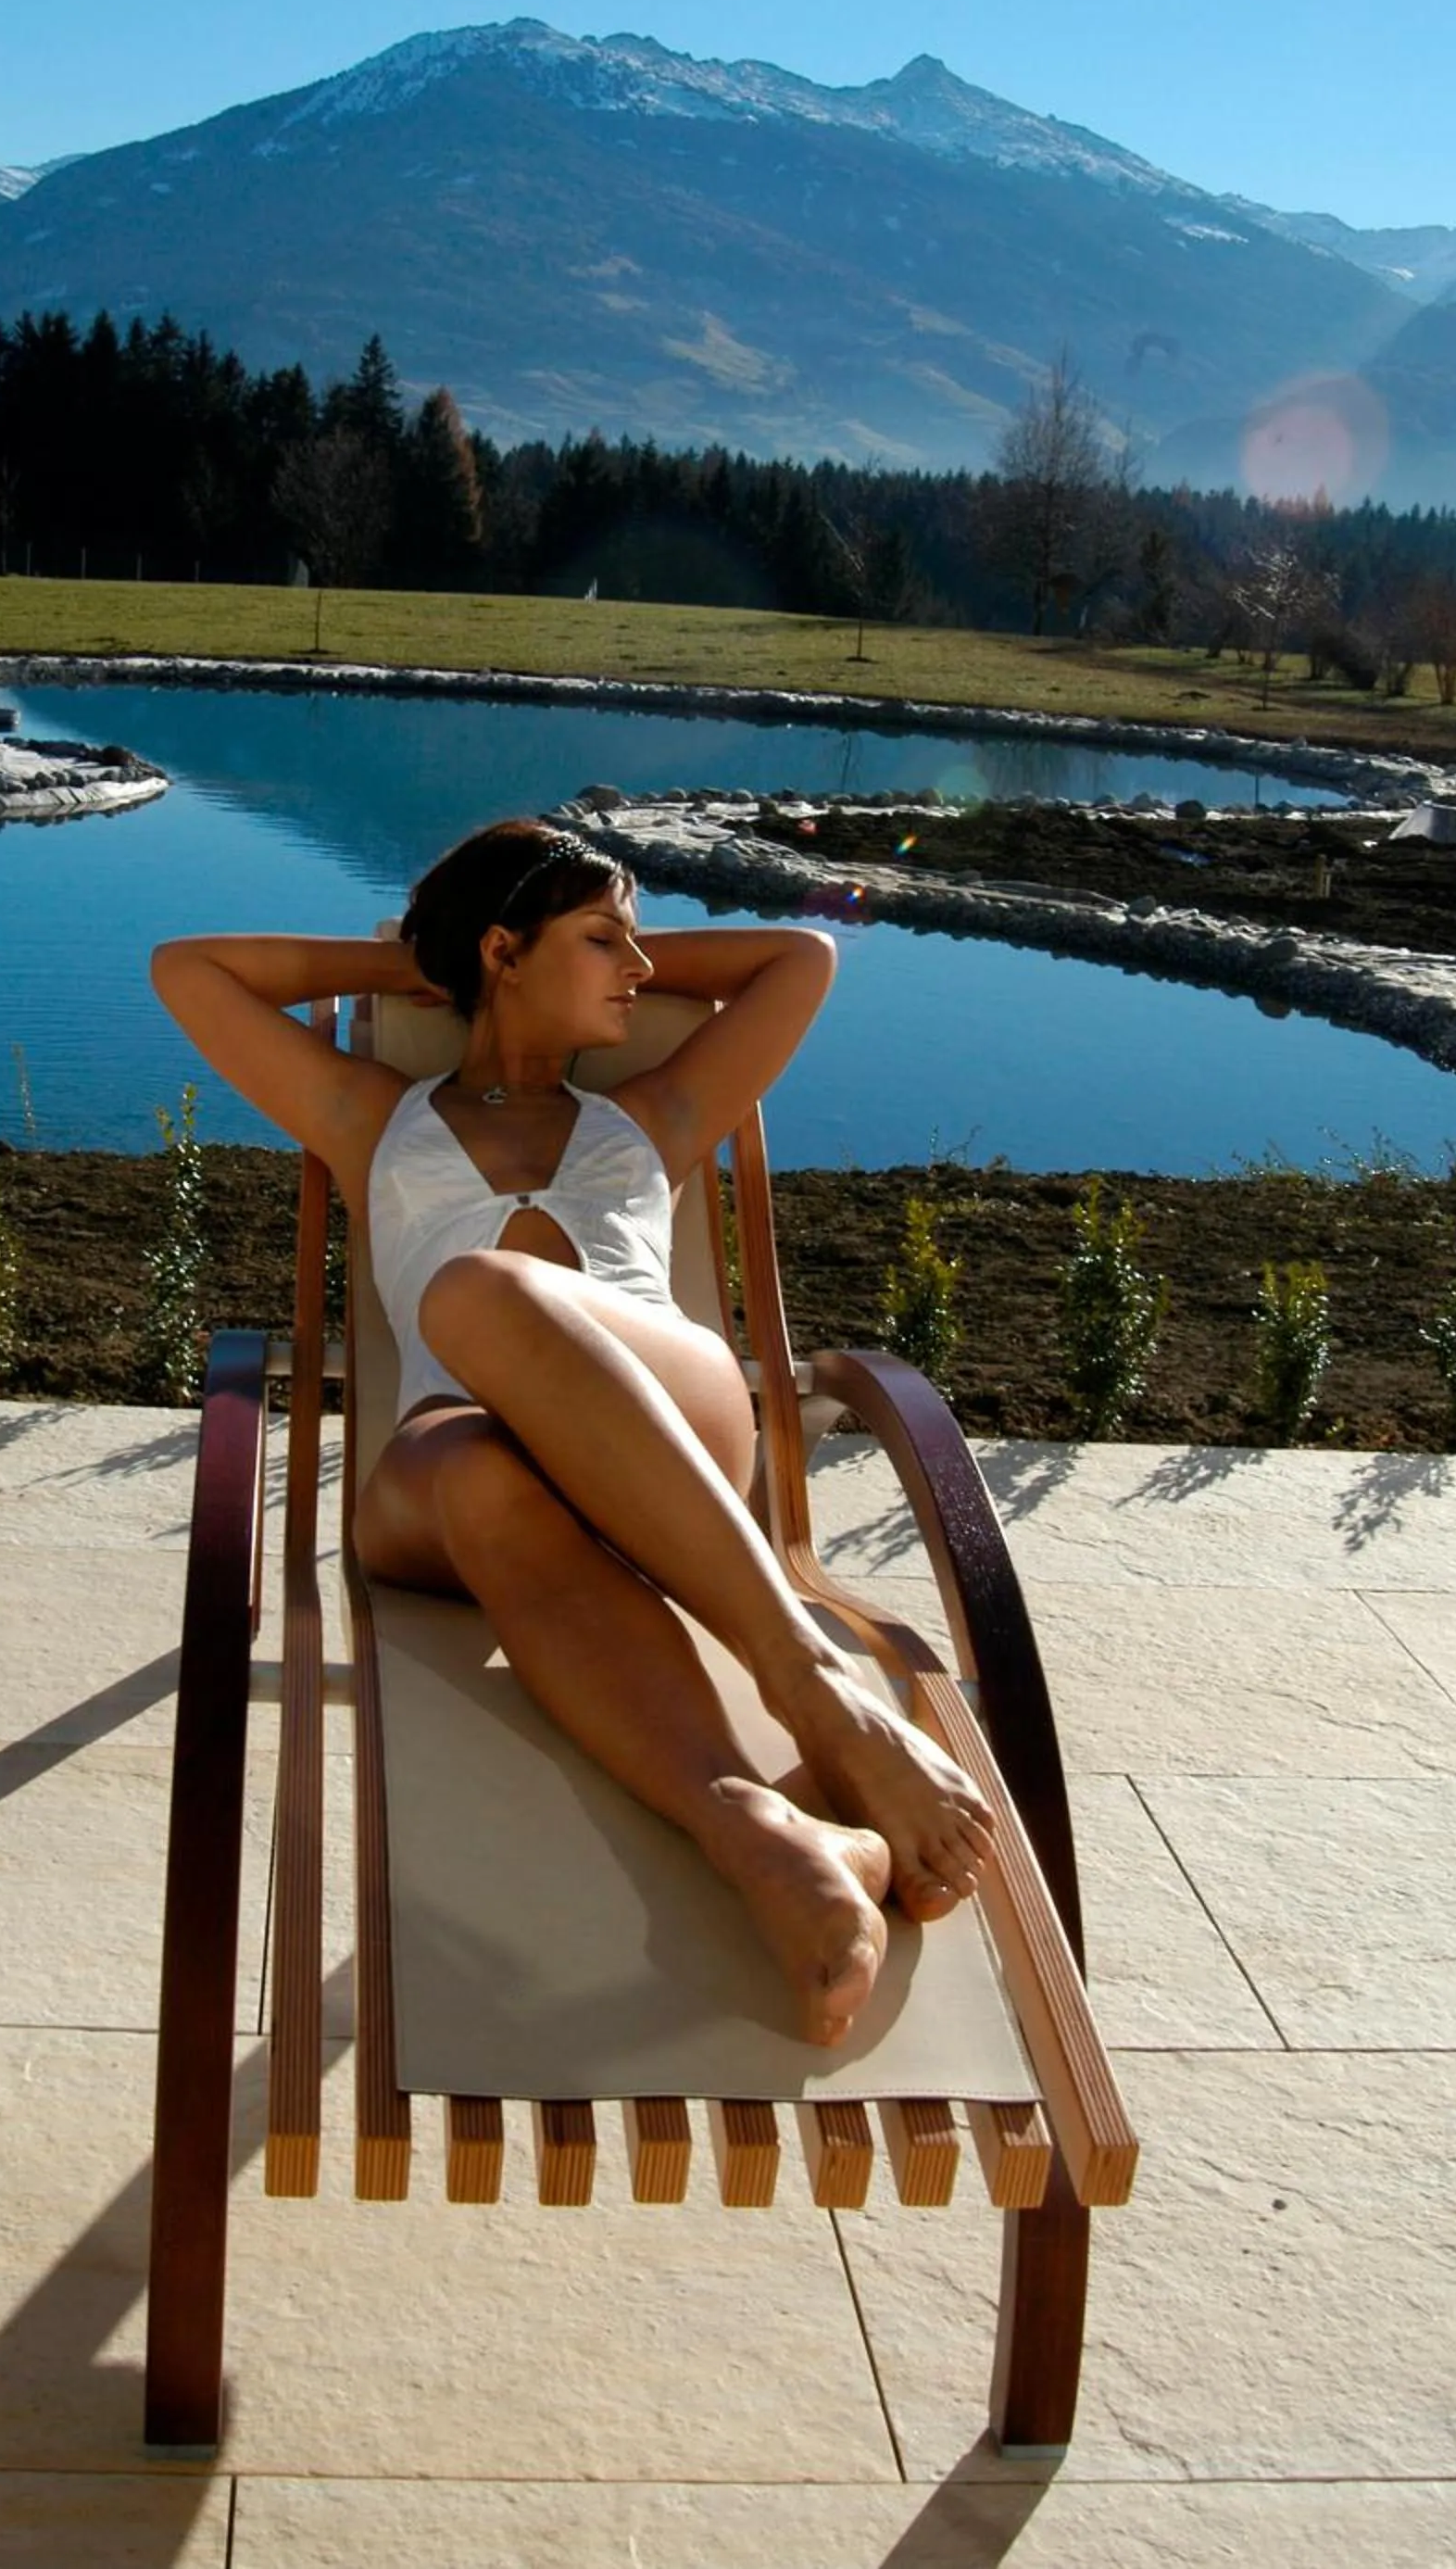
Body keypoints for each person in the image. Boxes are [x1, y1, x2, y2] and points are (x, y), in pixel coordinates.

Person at [151, 816, 993, 2046]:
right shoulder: (371, 1116)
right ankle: (765, 1837)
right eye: (606, 941)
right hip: (451, 1474)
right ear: (502, 948)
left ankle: (815, 1694)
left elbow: (800, 959)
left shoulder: (653, 1113)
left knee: (479, 1292)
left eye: (639, 945)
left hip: (674, 1426)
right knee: (480, 1432)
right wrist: (426, 964)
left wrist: (548, 944)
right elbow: (188, 970)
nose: (642, 974)